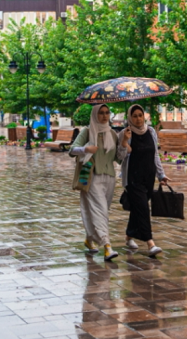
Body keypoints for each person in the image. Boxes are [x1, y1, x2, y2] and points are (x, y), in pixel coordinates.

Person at [69, 104, 121, 262]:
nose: (104, 116)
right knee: (100, 211)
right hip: (92, 178)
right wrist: (86, 149)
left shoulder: (112, 133)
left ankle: (89, 239)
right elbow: (72, 150)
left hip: (110, 178)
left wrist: (124, 144)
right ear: (94, 115)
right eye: (101, 113)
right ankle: (107, 246)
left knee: (102, 212)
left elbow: (118, 158)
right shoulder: (87, 131)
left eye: (107, 112)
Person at [118, 104, 169, 257]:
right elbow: (119, 157)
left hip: (148, 178)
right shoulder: (125, 133)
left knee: (138, 209)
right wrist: (124, 142)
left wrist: (161, 175)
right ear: (129, 118)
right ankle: (150, 243)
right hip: (133, 179)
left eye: (140, 115)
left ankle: (128, 237)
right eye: (134, 116)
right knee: (143, 209)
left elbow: (155, 155)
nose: (138, 119)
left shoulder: (151, 131)